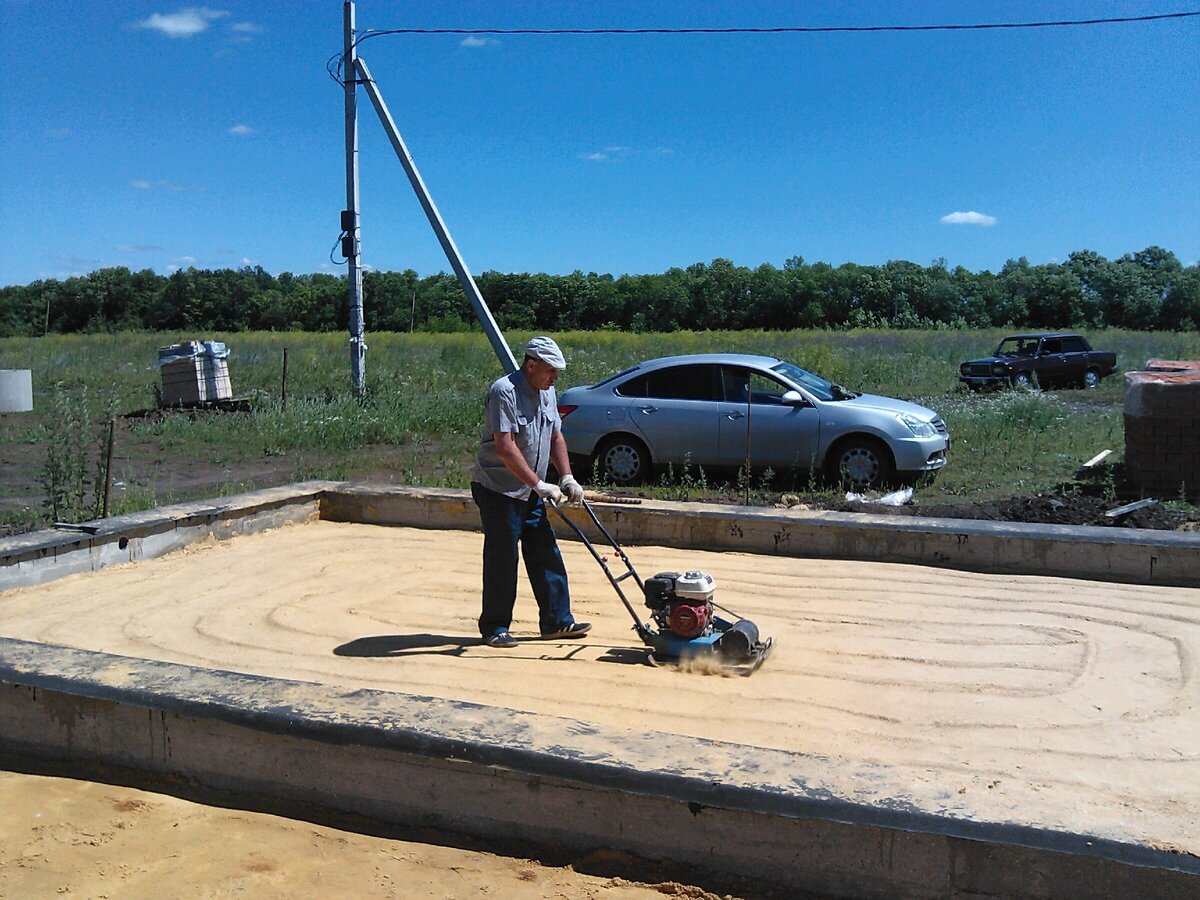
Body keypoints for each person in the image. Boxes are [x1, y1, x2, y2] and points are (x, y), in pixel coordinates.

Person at [470, 336, 589, 648]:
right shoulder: (504, 392)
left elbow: (555, 436)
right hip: (498, 489)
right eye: (551, 370)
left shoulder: (547, 392)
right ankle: (495, 627)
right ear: (531, 364)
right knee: (502, 558)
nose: (555, 378)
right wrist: (538, 484)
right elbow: (505, 447)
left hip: (532, 491)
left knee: (545, 551)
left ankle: (557, 622)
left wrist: (566, 477)